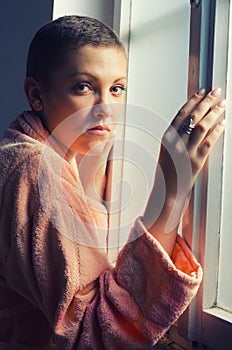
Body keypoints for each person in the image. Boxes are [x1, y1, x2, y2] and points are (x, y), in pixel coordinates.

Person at [0, 15, 226, 350]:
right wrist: (171, 185)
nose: (106, 108)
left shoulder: (41, 151)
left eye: (117, 88)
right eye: (83, 87)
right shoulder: (36, 170)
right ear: (36, 94)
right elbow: (92, 336)